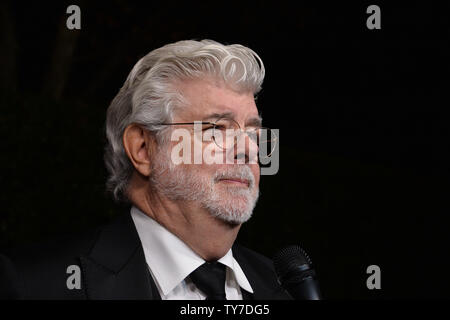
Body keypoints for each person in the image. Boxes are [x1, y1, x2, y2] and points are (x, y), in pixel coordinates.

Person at [0, 39, 288, 300]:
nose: (247, 148)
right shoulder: (35, 285)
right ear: (143, 149)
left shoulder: (283, 287)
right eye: (216, 129)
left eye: (253, 132)